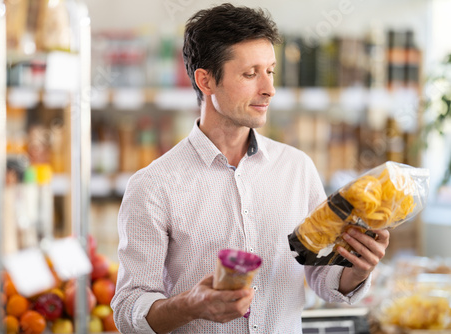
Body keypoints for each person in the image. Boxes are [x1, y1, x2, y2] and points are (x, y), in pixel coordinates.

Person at [111, 3, 390, 333]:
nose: (269, 89)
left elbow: (322, 277)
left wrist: (356, 270)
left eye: (270, 71)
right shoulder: (154, 185)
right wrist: (189, 305)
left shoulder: (297, 169)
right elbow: (128, 307)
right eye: (250, 74)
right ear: (206, 80)